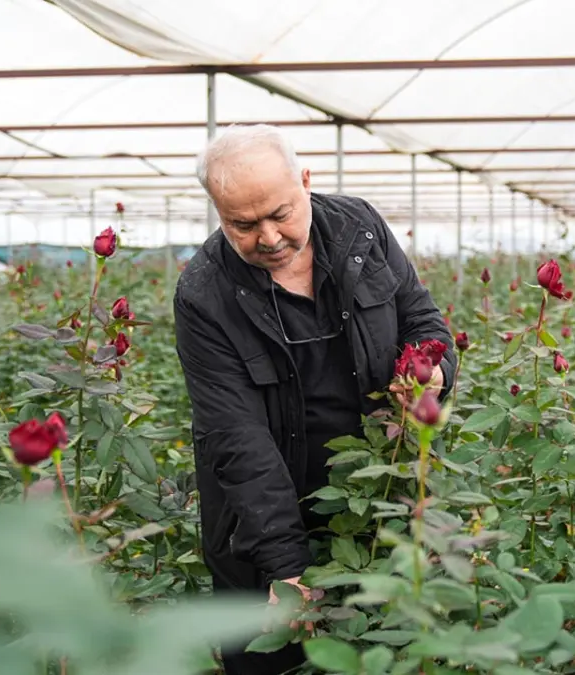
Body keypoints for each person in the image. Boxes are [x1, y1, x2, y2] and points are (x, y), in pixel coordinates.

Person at [173, 124, 456, 674]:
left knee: (381, 653)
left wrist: (435, 372)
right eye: (242, 225)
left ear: (305, 181)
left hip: (377, 504)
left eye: (280, 214)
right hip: (262, 525)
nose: (268, 237)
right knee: (272, 660)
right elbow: (236, 437)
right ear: (218, 212)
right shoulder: (205, 294)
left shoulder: (359, 230)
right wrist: (285, 564)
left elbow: (422, 319)